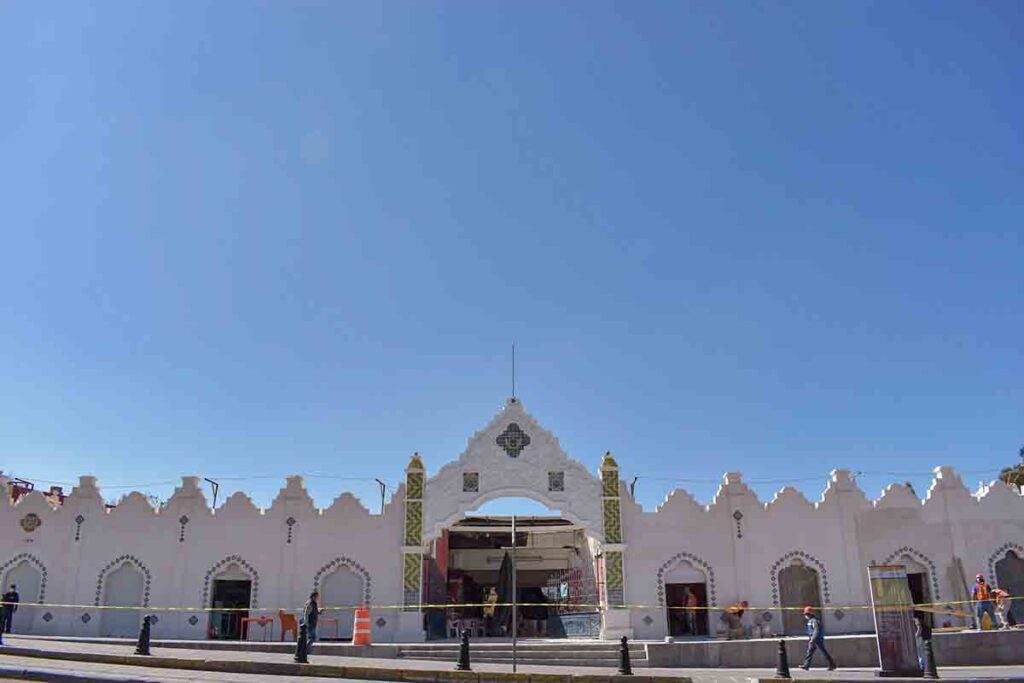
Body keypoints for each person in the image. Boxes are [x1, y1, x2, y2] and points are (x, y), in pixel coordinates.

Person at [801, 606, 837, 671]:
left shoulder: (814, 621)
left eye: (806, 614)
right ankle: (806, 665)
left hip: (817, 639)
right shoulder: (810, 621)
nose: (805, 615)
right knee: (810, 652)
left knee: (823, 652)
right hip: (813, 638)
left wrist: (812, 640)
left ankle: (832, 664)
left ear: (809, 614)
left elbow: (816, 630)